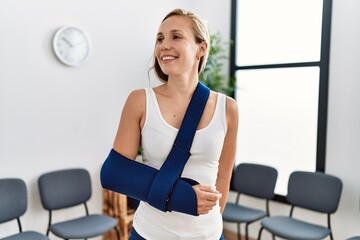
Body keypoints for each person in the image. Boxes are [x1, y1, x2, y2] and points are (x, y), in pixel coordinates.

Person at [111, 8, 238, 240]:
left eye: (175, 36)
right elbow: (115, 173)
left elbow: (223, 176)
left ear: (201, 48)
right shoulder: (140, 101)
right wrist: (183, 197)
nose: (163, 45)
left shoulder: (227, 108)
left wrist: (208, 226)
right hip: (151, 233)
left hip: (208, 234)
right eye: (160, 39)